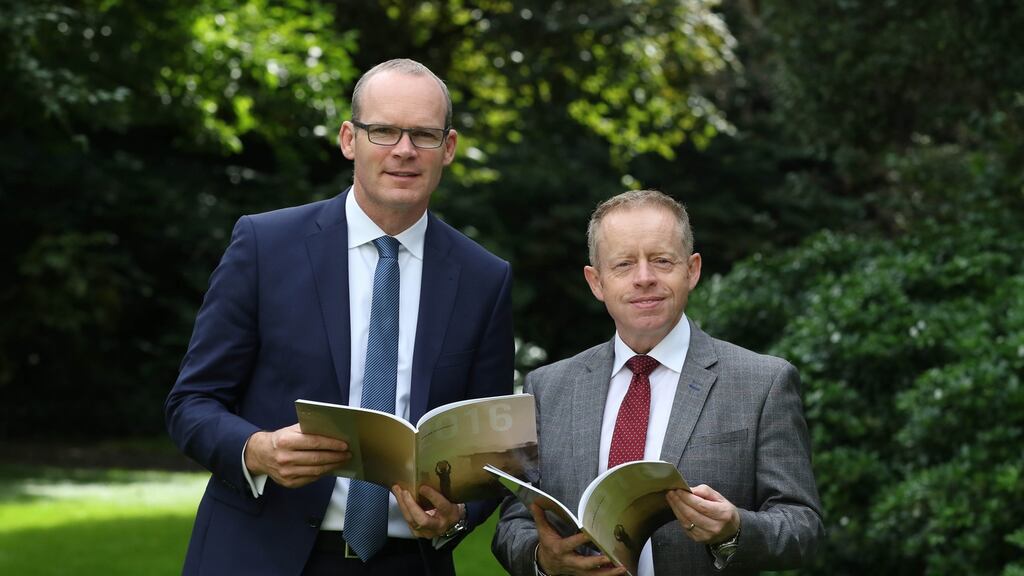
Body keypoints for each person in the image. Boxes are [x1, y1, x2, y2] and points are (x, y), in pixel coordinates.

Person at [165, 58, 514, 576]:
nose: (404, 149)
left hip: (407, 564)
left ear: (448, 148)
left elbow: (491, 453)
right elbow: (191, 403)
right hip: (260, 553)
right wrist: (256, 450)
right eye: (384, 131)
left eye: (423, 134)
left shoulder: (484, 278)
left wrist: (459, 515)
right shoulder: (264, 246)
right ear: (350, 139)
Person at [492, 190, 823, 575]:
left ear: (692, 270)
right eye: (624, 264)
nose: (644, 278)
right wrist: (542, 559)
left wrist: (735, 529)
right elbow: (514, 521)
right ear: (596, 282)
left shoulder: (762, 383)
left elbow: (803, 528)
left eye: (662, 261)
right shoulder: (548, 388)